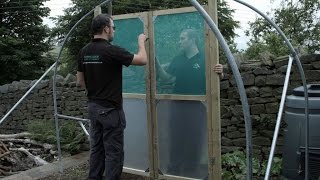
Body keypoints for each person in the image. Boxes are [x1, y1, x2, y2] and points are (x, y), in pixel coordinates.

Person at [76, 14, 148, 180]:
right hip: (110, 111)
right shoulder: (111, 50)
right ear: (106, 29)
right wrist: (141, 42)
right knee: (114, 152)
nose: (114, 30)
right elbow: (142, 60)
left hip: (93, 107)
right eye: (113, 27)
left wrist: (95, 90)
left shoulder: (84, 51)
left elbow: (79, 81)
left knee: (97, 149)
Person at [156, 29, 223, 178]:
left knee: (194, 138)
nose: (179, 41)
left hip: (197, 105)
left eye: (182, 38)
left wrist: (220, 72)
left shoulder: (205, 59)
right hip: (177, 104)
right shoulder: (178, 59)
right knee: (176, 137)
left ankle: (191, 171)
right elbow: (167, 78)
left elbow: (215, 78)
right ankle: (174, 170)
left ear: (192, 40)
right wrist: (156, 63)